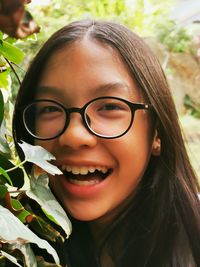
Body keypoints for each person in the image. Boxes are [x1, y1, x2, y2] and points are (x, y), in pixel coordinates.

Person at [12, 19, 200, 267]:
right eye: (49, 108)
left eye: (110, 106)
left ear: (157, 132)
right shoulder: (17, 242)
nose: (73, 136)